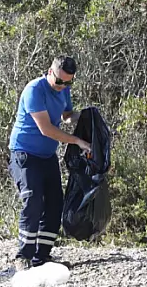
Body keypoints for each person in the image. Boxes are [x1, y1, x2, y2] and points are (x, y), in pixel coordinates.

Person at [7, 56, 92, 271]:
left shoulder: (63, 90)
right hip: (25, 154)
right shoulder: (34, 90)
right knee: (33, 199)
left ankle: (42, 256)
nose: (62, 86)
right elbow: (47, 129)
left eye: (68, 82)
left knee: (55, 204)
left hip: (47, 155)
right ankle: (23, 255)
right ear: (50, 72)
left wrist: (84, 116)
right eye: (60, 81)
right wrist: (77, 141)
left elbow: (65, 116)